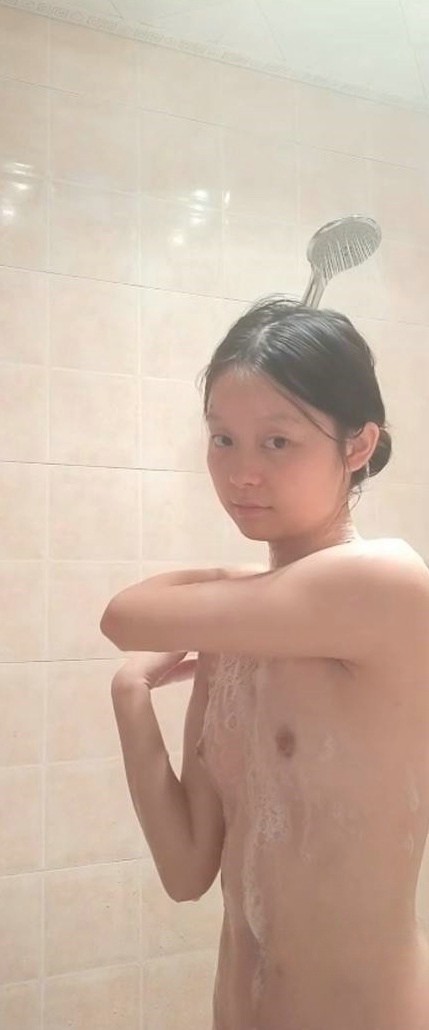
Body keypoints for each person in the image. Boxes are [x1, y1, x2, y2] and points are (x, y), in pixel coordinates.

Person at [100, 297, 429, 1030]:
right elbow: (187, 869)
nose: (241, 473)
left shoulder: (385, 580)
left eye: (277, 442)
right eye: (223, 439)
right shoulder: (245, 634)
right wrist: (131, 695)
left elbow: (124, 614)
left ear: (357, 445)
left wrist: (234, 581)